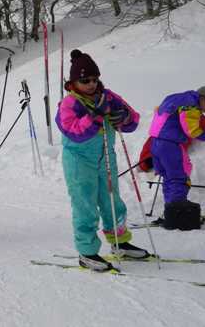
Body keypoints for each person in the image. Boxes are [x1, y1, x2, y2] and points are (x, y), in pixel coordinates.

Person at [55, 49, 151, 271]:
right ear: (73, 82)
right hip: (79, 160)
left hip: (107, 157)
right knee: (85, 206)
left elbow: (133, 117)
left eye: (94, 79)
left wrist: (124, 118)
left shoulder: (107, 96)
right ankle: (87, 252)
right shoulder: (70, 103)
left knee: (113, 202)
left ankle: (120, 243)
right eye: (85, 80)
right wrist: (96, 116)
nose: (91, 83)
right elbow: (74, 132)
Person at [148, 86, 205, 205]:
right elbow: (192, 131)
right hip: (170, 145)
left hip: (155, 143)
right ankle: (178, 213)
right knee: (180, 178)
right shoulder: (191, 106)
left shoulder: (176, 98)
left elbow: (157, 109)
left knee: (169, 178)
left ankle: (171, 211)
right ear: (202, 99)